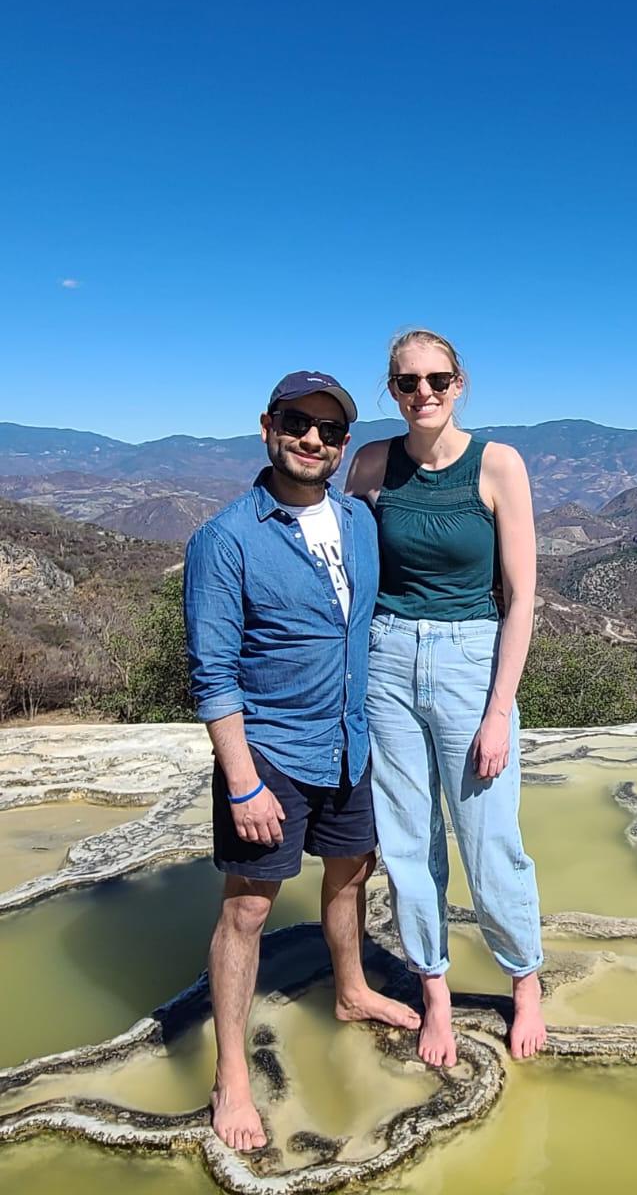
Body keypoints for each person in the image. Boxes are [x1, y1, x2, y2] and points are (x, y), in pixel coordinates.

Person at [183, 371, 420, 1152]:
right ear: (268, 426)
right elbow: (213, 675)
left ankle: (350, 991)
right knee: (248, 908)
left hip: (351, 742)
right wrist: (242, 780)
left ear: (345, 444)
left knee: (351, 872)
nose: (313, 438)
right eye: (297, 422)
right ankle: (233, 1078)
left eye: (329, 429)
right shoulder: (227, 539)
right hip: (272, 752)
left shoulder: (356, 520)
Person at [346, 328, 545, 1067]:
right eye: (407, 383)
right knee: (407, 843)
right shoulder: (370, 464)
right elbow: (351, 571)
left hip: (471, 660)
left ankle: (525, 981)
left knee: (489, 841)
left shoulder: (498, 465)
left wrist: (499, 712)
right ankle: (436, 995)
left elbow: (522, 596)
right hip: (388, 659)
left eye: (436, 380)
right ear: (391, 390)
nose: (422, 393)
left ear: (460, 384)